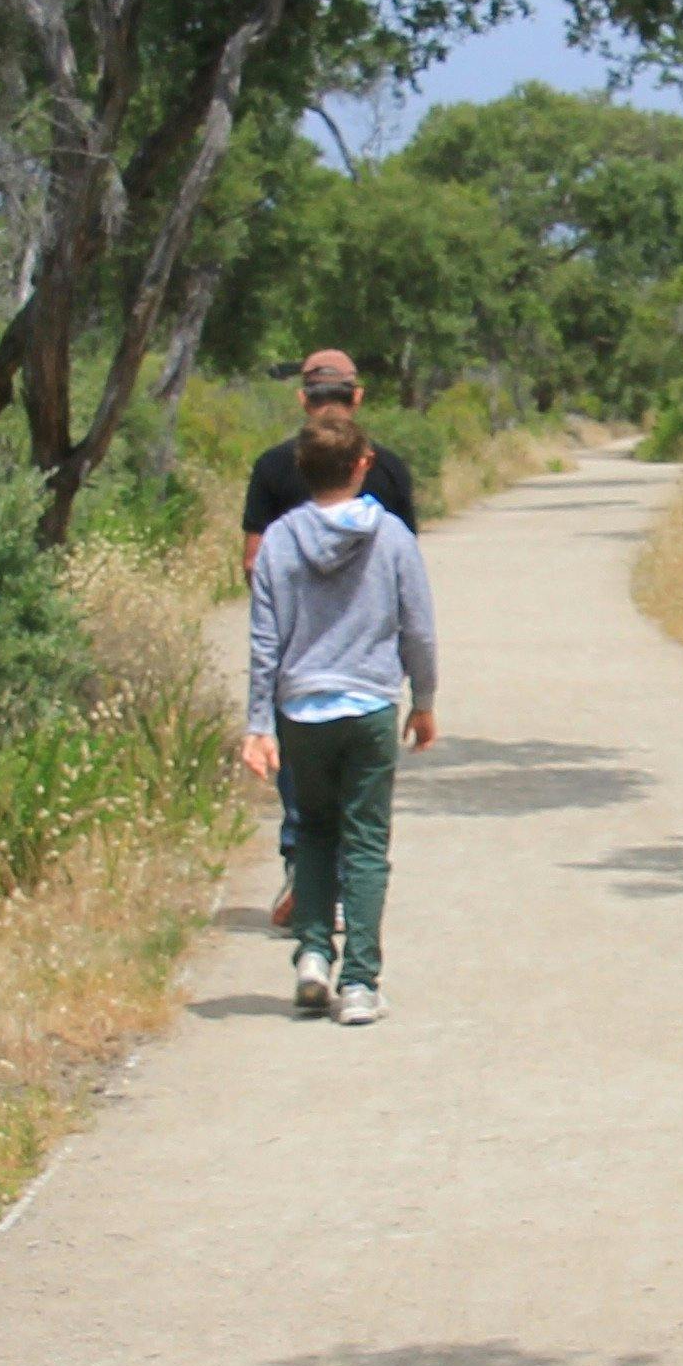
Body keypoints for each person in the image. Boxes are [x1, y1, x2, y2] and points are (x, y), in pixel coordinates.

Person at [241, 430, 436, 1025]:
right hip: (371, 706)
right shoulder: (394, 538)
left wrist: (257, 723)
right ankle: (359, 983)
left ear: (301, 468)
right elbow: (418, 628)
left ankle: (312, 957)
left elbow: (264, 640)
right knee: (367, 842)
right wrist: (422, 699)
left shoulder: (278, 540)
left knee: (315, 830)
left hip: (301, 711)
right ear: (364, 464)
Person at [238, 348, 419, 580]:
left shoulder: (271, 465)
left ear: (303, 398)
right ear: (357, 397)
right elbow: (405, 563)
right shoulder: (390, 467)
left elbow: (253, 564)